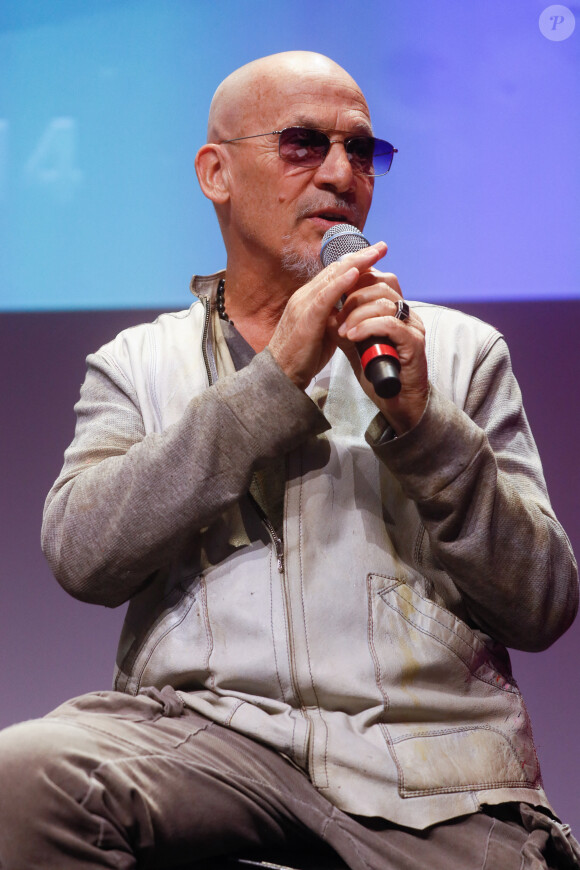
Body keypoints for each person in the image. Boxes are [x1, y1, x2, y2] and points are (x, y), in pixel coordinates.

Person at [0, 50, 578, 870]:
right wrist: (273, 386)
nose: (342, 174)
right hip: (205, 741)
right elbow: (84, 554)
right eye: (304, 143)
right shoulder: (138, 363)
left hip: (430, 765)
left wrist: (422, 423)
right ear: (216, 173)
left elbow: (544, 601)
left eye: (362, 151)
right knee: (22, 780)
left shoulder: (455, 353)